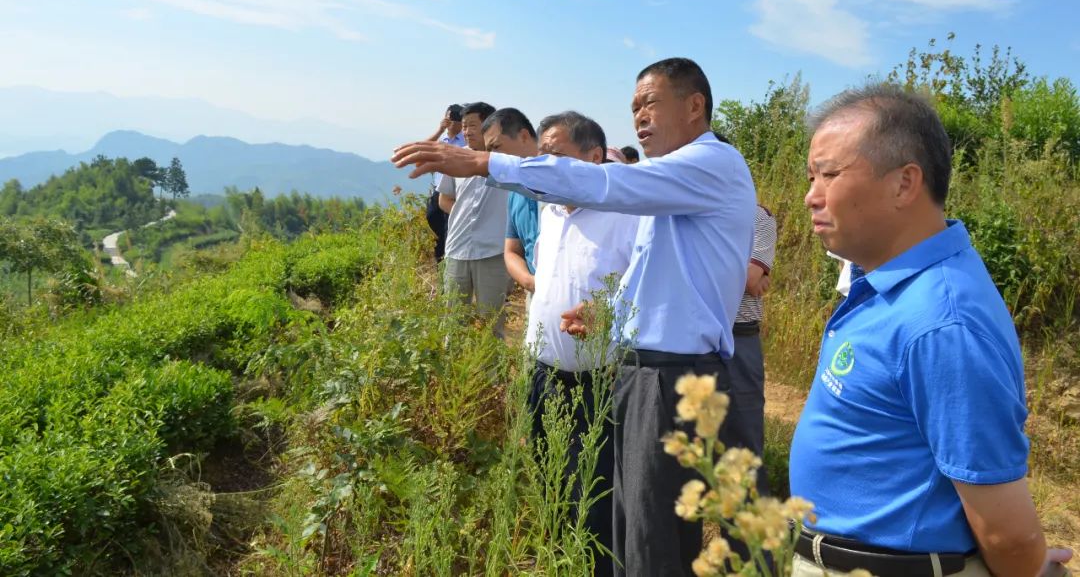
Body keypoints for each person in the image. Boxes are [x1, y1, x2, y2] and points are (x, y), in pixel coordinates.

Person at [393, 57, 757, 576]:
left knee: (654, 536)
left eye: (650, 103)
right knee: (635, 525)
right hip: (646, 369)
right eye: (634, 107)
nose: (639, 118)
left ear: (695, 105)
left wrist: (483, 164)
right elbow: (667, 274)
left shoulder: (711, 163)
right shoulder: (674, 183)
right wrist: (612, 306)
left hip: (674, 375)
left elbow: (605, 185)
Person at [791, 84, 1072, 577]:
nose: (811, 196)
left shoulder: (942, 322)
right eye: (811, 176)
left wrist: (1029, 569)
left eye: (829, 175)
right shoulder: (884, 282)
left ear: (904, 183)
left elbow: (1005, 528)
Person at [526, 111, 639, 577]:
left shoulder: (626, 215)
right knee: (547, 476)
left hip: (600, 377)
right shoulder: (548, 211)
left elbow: (643, 287)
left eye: (555, 156)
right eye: (540, 157)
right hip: (542, 369)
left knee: (595, 487)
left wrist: (609, 314)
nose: (544, 168)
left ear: (594, 158)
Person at [438, 102, 511, 336]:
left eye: (473, 126)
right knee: (453, 322)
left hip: (492, 252)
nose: (467, 131)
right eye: (465, 126)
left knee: (491, 324)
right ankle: (455, 372)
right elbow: (444, 199)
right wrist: (465, 214)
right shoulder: (455, 158)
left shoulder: (507, 161)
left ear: (490, 126)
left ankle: (491, 373)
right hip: (457, 249)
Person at [727, 203, 776, 494]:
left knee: (744, 439)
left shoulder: (758, 216)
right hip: (699, 337)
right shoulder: (694, 208)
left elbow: (750, 279)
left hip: (738, 337)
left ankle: (749, 534)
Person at [481, 108, 540, 301]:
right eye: (488, 151)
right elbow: (512, 250)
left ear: (523, 136)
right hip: (536, 295)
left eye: (496, 147)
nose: (492, 158)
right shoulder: (515, 193)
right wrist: (529, 282)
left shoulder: (562, 188)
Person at [424, 104, 464, 262]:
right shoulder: (442, 139)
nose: (451, 122)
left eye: (454, 119)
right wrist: (440, 130)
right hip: (437, 190)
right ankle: (439, 256)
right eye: (448, 118)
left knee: (449, 227)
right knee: (432, 218)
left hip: (454, 193)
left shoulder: (464, 141)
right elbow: (424, 147)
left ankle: (446, 261)